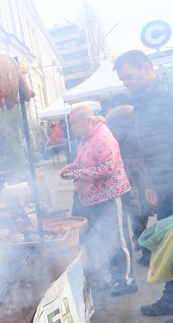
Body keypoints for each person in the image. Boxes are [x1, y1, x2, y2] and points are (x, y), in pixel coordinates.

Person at [114, 50, 173, 323]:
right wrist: (151, 182)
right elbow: (150, 148)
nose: (126, 82)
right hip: (166, 188)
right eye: (123, 79)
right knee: (168, 248)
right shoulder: (143, 103)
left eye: (130, 76)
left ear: (147, 67)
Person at [59, 105, 134, 296]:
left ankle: (127, 280)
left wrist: (77, 174)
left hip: (112, 195)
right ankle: (116, 279)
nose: (72, 127)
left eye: (75, 123)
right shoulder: (85, 138)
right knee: (108, 238)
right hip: (95, 197)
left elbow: (106, 169)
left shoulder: (103, 137)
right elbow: (84, 161)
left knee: (119, 239)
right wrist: (72, 167)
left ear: (88, 121)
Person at [105, 105, 153, 266]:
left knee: (134, 212)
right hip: (143, 169)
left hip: (126, 169)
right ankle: (143, 243)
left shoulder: (114, 128)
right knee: (142, 210)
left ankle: (146, 252)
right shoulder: (139, 124)